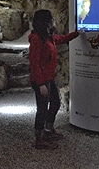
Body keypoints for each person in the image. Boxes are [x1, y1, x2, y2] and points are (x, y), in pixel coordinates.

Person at [28, 9, 80, 149]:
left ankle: (48, 129)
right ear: (46, 22)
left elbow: (61, 39)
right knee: (42, 108)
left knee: (55, 103)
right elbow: (34, 64)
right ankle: (39, 139)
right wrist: (40, 84)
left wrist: (77, 33)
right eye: (51, 18)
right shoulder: (37, 40)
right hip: (41, 81)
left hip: (49, 78)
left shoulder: (48, 37)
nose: (54, 20)